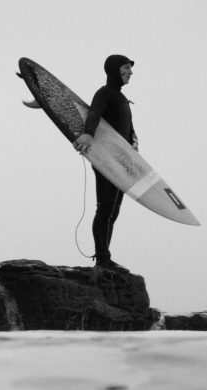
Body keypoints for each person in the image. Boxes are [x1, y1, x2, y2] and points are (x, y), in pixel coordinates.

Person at [73, 54, 137, 270]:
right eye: (125, 68)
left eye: (130, 69)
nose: (130, 72)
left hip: (122, 159)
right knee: (105, 206)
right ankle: (102, 258)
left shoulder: (121, 98)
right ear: (114, 70)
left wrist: (134, 141)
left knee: (114, 209)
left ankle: (105, 256)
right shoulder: (105, 93)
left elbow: (127, 126)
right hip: (106, 157)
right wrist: (88, 133)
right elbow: (94, 113)